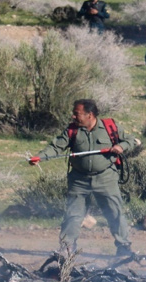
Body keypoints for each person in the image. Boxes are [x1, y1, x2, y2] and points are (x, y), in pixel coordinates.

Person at [29, 100, 136, 257]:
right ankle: (66, 247)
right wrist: (40, 157)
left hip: (105, 177)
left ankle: (124, 247)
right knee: (73, 214)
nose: (73, 116)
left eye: (76, 113)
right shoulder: (72, 130)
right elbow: (56, 147)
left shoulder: (110, 127)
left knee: (115, 212)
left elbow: (131, 140)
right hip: (79, 179)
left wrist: (121, 147)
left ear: (89, 115)